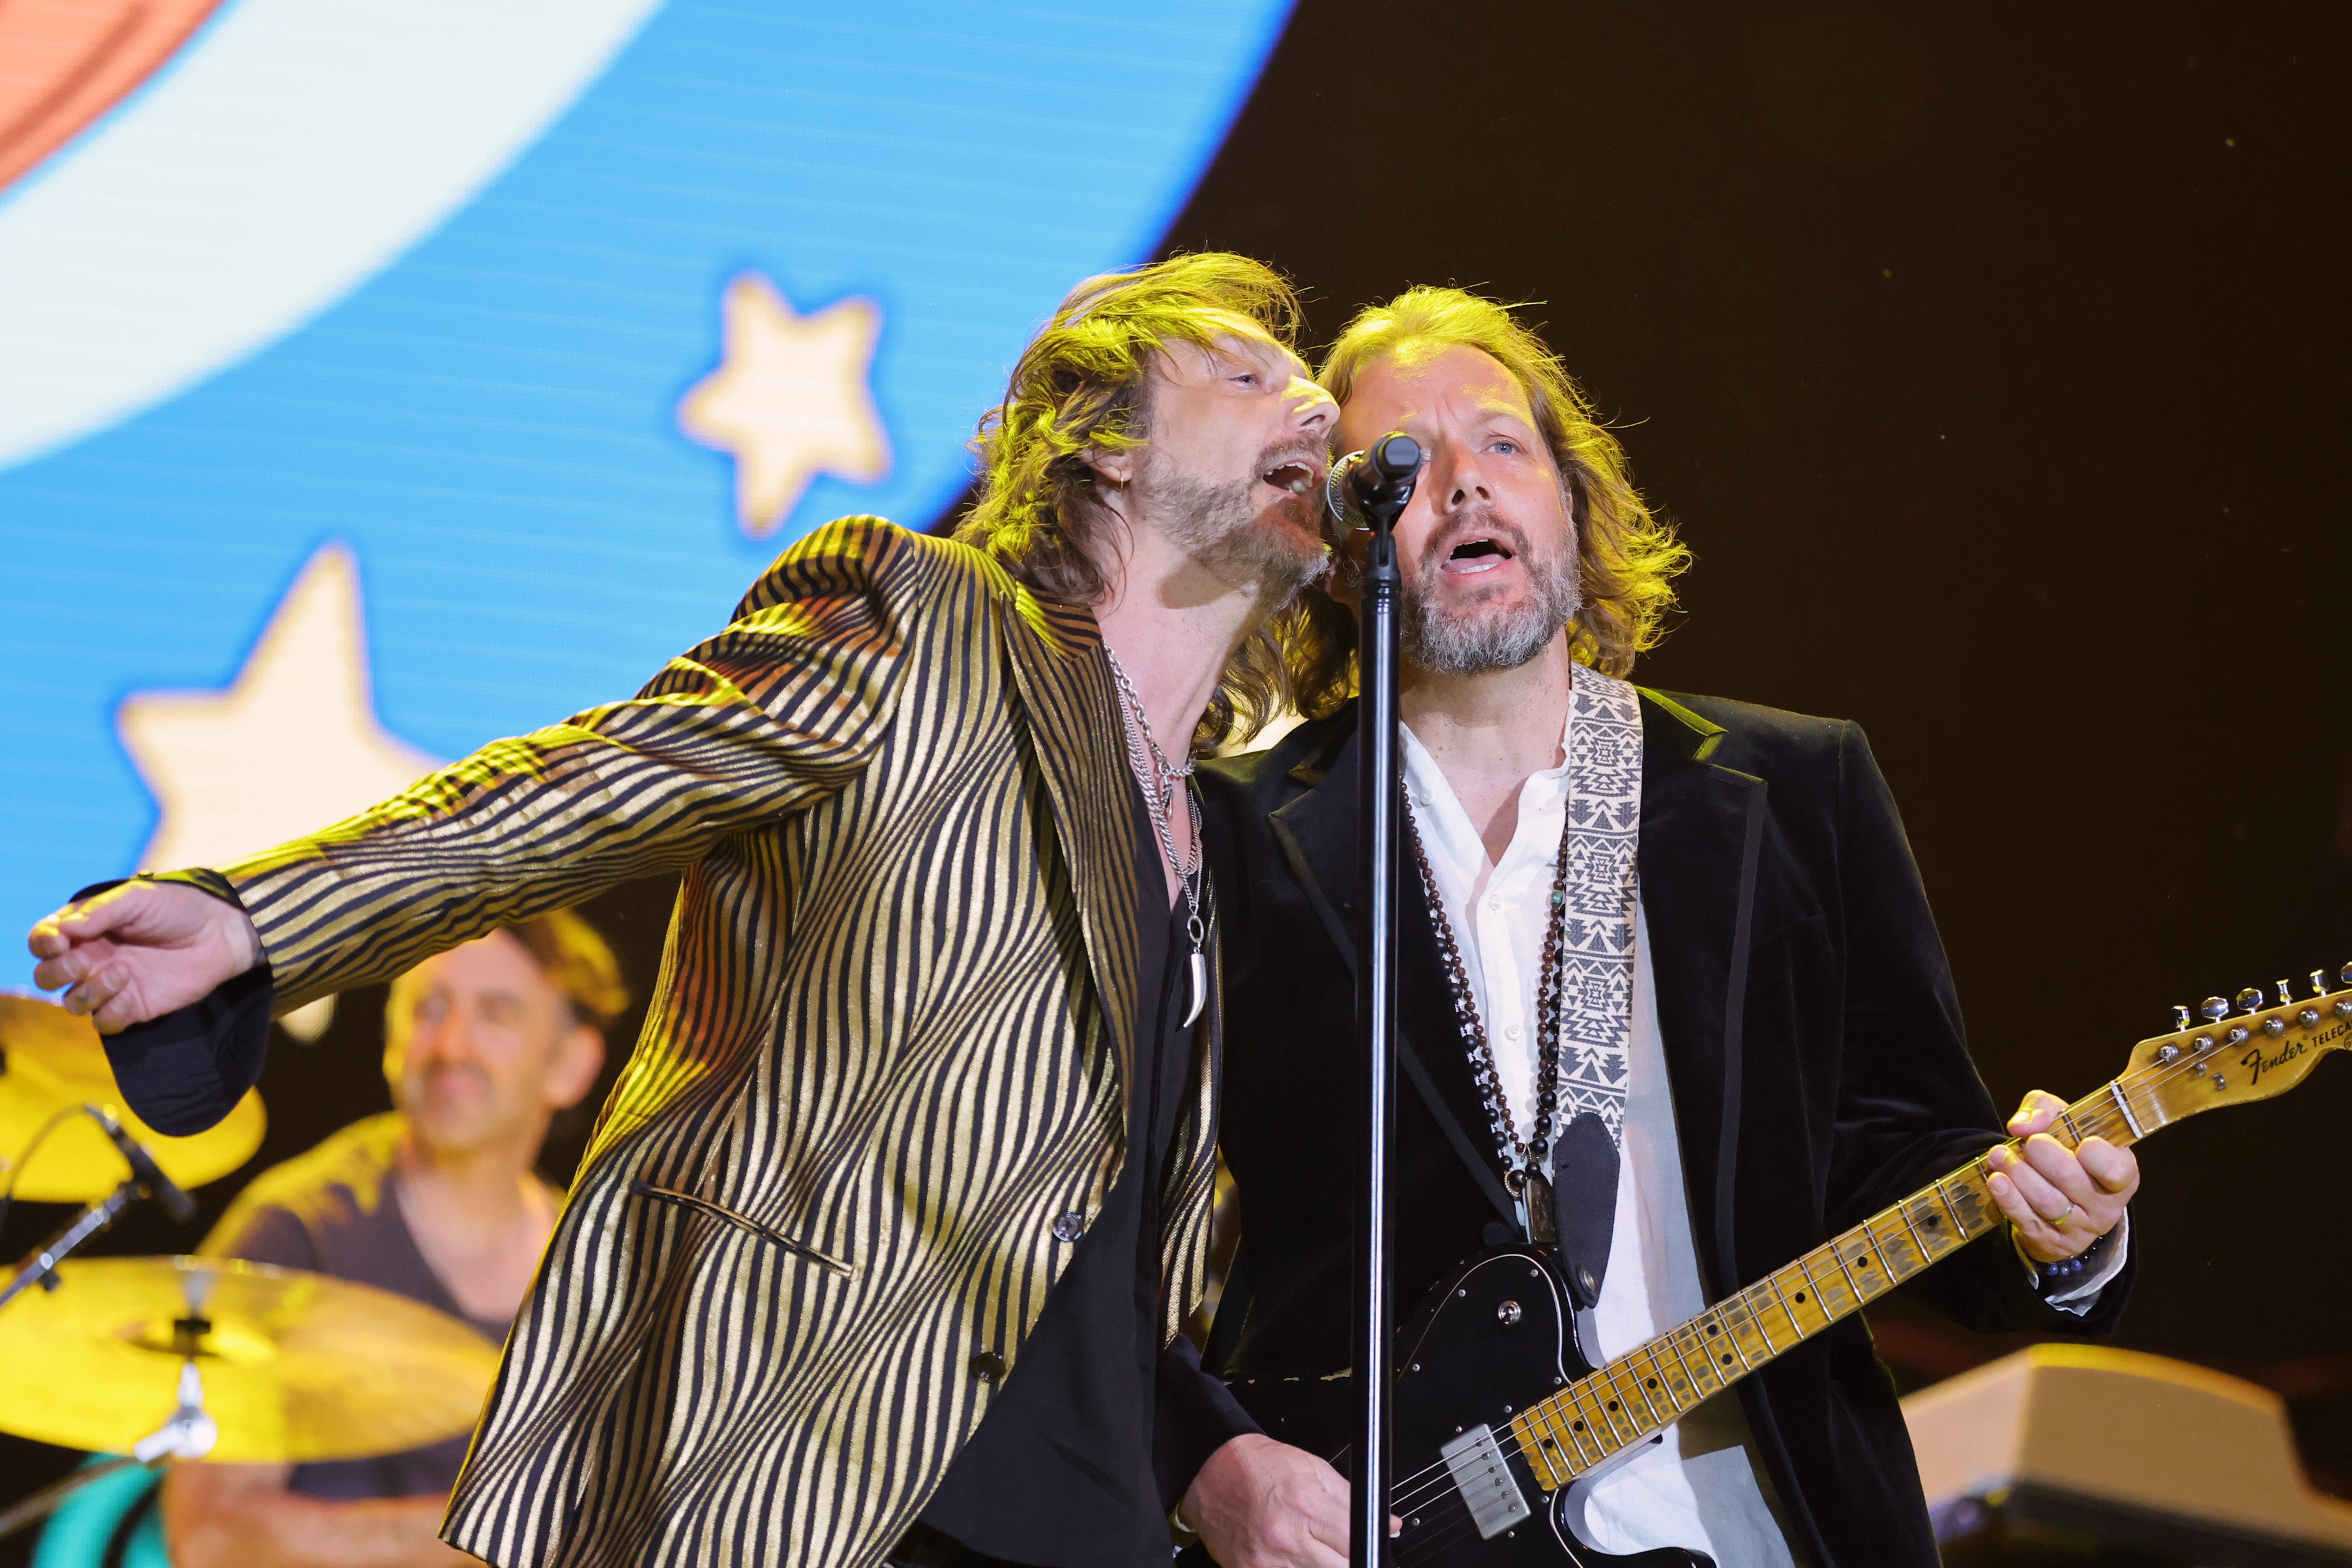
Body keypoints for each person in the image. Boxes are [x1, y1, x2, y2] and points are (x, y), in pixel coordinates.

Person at [29, 252, 1340, 1568]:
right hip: (817, 1477)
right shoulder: (925, 617)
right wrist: (259, 918)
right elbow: (595, 784)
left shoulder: (1213, 834)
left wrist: (1210, 1447)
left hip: (1089, 1532)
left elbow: (1104, 1246)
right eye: (1246, 377)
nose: (1319, 412)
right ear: (1101, 446)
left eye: (1313, 391)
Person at [1184, 287, 2141, 1568]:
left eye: (1504, 446)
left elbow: (1900, 1151)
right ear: (1339, 538)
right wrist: (1200, 1458)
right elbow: (1115, 1221)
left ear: (1572, 505)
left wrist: (2058, 1234)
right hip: (1396, 1529)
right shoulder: (1240, 830)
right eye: (1404, 463)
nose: (1464, 486)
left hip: (1761, 1529)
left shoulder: (1791, 788)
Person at [162, 912, 621, 1568]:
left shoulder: (597, 1277)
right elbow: (211, 1540)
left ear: (572, 1064)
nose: (452, 1045)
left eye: (496, 1014)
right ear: (390, 1040)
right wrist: (493, 1540)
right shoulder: (296, 1234)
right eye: (428, 1008)